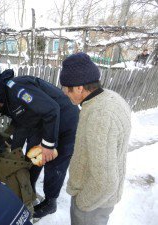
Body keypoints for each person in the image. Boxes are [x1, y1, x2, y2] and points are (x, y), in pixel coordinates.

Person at [0, 69, 79, 219]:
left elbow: (51, 110)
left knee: (54, 163)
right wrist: (2, 138)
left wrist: (48, 145)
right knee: (31, 158)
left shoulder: (17, 89)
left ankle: (50, 202)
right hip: (43, 122)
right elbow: (21, 121)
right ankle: (28, 191)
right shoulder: (5, 96)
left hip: (65, 121)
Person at [59, 52, 131, 225]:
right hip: (98, 198)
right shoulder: (110, 98)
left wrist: (82, 203)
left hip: (92, 204)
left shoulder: (100, 115)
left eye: (66, 89)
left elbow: (105, 182)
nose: (65, 94)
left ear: (79, 88)